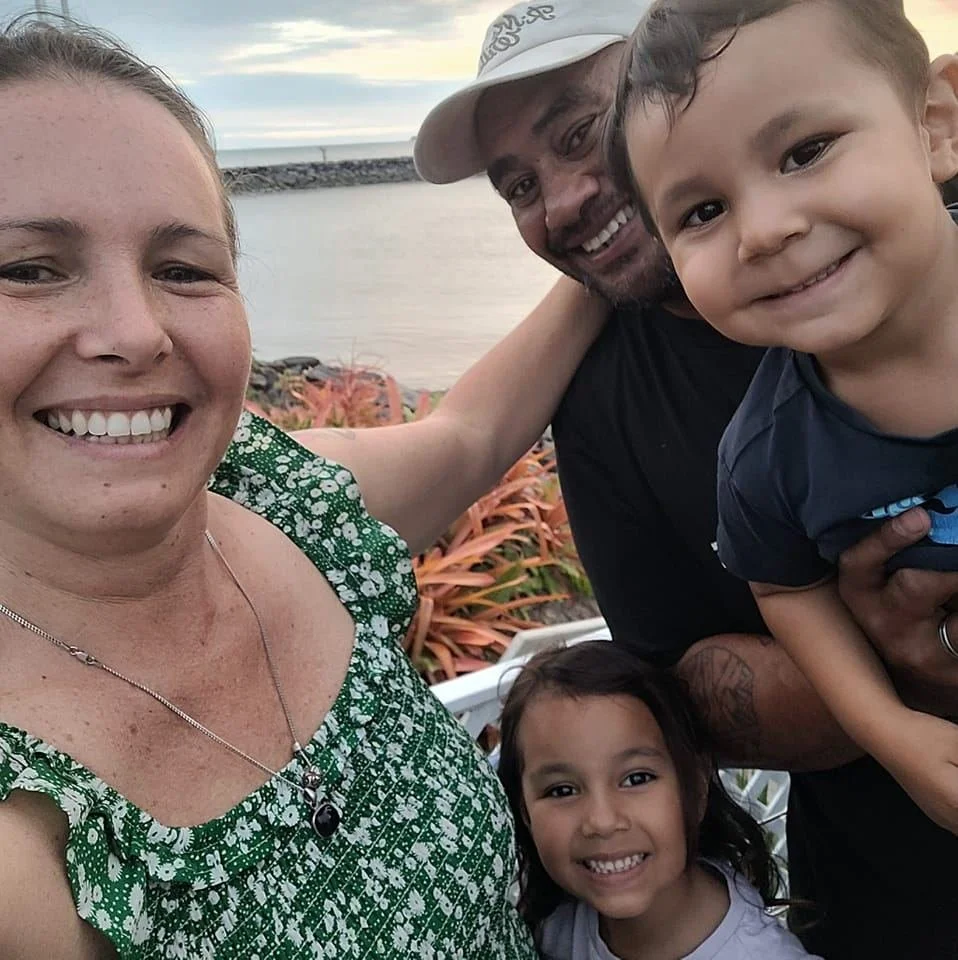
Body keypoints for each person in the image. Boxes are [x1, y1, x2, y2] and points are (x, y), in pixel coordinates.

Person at [0, 16, 614, 959]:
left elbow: (469, 433)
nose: (134, 331)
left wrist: (618, 237)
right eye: (28, 269)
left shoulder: (264, 492)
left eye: (183, 268)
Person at [414, 1, 958, 955]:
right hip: (899, 885)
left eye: (580, 133)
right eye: (517, 187)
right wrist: (892, 644)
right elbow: (680, 687)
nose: (562, 202)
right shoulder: (631, 407)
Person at [610, 0, 958, 834]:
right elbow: (788, 590)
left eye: (805, 152)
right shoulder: (766, 457)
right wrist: (893, 730)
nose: (763, 231)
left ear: (935, 126)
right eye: (701, 212)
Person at [497, 640, 817, 960]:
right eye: (562, 790)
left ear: (696, 783)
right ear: (524, 810)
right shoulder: (548, 927)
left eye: (637, 779)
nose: (603, 821)